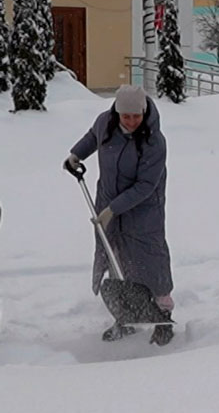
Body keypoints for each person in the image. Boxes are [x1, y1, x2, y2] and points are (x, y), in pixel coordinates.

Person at [65, 85, 175, 345]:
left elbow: (146, 186)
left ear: (143, 111)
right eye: (126, 116)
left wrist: (113, 209)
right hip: (108, 200)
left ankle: (163, 316)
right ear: (117, 112)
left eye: (136, 116)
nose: (131, 121)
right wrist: (76, 154)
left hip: (144, 208)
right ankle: (126, 316)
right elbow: (94, 137)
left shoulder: (154, 141)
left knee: (150, 258)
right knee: (114, 255)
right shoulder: (106, 122)